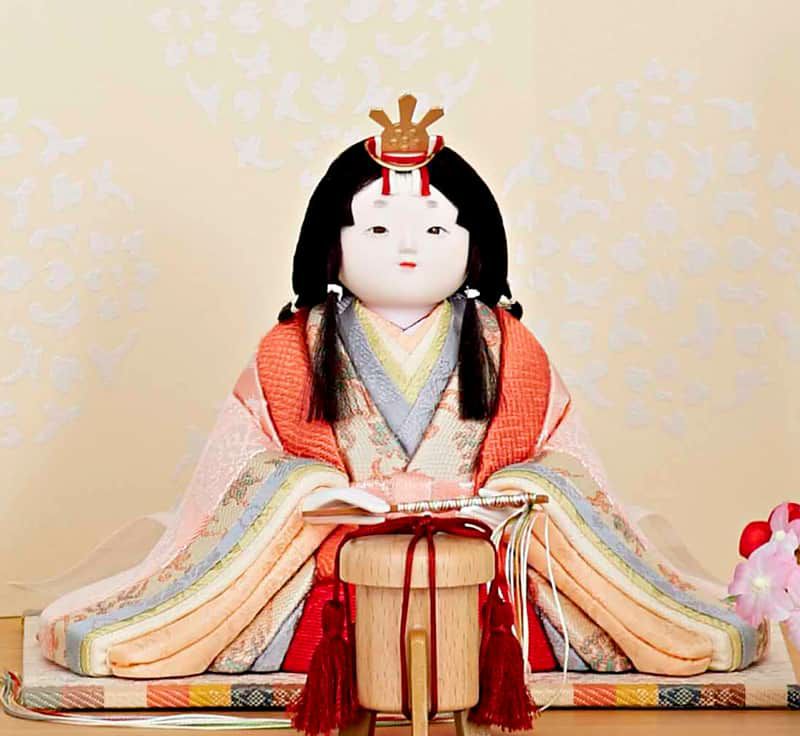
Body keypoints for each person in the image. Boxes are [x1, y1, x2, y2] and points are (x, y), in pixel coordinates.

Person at [38, 95, 767, 679]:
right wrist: (308, 493)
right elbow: (239, 470)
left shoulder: (510, 346)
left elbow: (563, 462)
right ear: (331, 247)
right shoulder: (293, 349)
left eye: (437, 230)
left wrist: (510, 493)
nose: (410, 246)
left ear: (476, 250)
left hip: (484, 570)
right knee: (244, 599)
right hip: (329, 573)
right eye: (380, 230)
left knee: (559, 552)